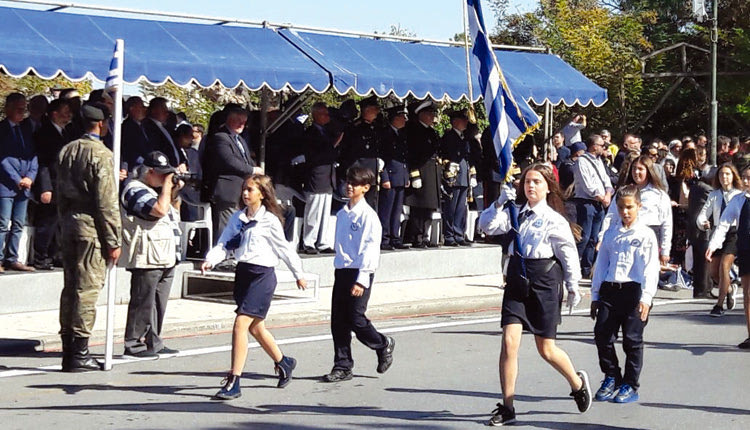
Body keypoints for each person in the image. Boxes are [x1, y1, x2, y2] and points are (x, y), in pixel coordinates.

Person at [478, 163, 591, 426]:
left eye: (536, 182)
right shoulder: (515, 212)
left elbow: (567, 254)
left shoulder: (554, 219)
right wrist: (497, 203)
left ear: (547, 186)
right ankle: (507, 406)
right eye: (527, 181)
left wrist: (574, 286)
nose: (530, 186)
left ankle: (576, 382)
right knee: (509, 342)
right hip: (518, 277)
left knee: (546, 349)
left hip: (544, 279)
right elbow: (487, 226)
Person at [202, 174, 307, 399]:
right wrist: (211, 259)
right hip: (244, 274)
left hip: (262, 276)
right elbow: (224, 243)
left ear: (262, 194)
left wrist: (299, 274)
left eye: (251, 190)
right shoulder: (238, 218)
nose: (246, 193)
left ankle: (234, 380)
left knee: (241, 324)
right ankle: (284, 362)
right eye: (244, 189)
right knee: (256, 327)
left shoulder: (269, 220)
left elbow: (285, 249)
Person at [57, 103, 122, 372]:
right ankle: (79, 351)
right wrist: (113, 239)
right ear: (101, 124)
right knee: (87, 289)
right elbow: (106, 202)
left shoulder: (67, 150)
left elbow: (60, 192)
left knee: (70, 287)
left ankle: (68, 346)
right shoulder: (101, 154)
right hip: (91, 227)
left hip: (69, 222)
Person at [322, 166, 395, 383]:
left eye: (355, 184)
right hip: (342, 270)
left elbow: (371, 249)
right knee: (338, 321)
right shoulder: (343, 213)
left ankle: (383, 344)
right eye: (348, 182)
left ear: (366, 188)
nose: (349, 186)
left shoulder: (368, 216)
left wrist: (362, 279)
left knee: (356, 318)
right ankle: (342, 365)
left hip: (360, 270)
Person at [590, 185, 659, 404]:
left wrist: (646, 297)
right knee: (602, 335)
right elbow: (601, 265)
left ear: (638, 206)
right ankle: (612, 375)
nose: (625, 212)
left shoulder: (646, 234)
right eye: (621, 207)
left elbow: (650, 268)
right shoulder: (611, 232)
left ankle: (630, 383)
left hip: (634, 291)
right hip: (611, 290)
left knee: (632, 341)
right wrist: (595, 295)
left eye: (629, 207)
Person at [120, 151, 184, 358]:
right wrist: (166, 188)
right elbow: (158, 210)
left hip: (165, 254)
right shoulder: (134, 189)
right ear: (149, 172)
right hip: (147, 256)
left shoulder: (153, 190)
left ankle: (153, 341)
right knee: (142, 301)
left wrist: (173, 191)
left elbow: (173, 210)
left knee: (158, 303)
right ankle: (133, 344)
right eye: (162, 174)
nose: (165, 178)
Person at [202, 106, 262, 241]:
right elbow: (229, 161)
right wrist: (252, 170)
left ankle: (233, 255)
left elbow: (247, 159)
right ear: (229, 119)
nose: (242, 124)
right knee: (226, 227)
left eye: (244, 121)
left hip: (241, 190)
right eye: (238, 120)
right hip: (227, 190)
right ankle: (223, 258)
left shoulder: (239, 139)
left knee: (237, 225)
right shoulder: (221, 137)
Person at [600, 155, 672, 266]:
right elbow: (611, 216)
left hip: (650, 238)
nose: (636, 172)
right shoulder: (623, 192)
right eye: (634, 168)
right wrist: (602, 238)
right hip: (625, 237)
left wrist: (665, 251)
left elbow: (666, 224)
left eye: (640, 169)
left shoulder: (659, 195)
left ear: (648, 171)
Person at [706, 166, 750, 349]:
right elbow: (724, 223)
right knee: (748, 293)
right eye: (745, 177)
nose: (747, 181)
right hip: (746, 248)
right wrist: (713, 245)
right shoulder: (738, 200)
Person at [31, 98, 72, 270]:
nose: (68, 115)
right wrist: (45, 187)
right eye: (65, 111)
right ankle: (41, 257)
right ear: (54, 114)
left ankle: (55, 255)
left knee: (59, 223)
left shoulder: (65, 133)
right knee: (46, 223)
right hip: (51, 184)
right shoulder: (45, 133)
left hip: (63, 185)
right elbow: (43, 163)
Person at [698, 163, 743, 314]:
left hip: (734, 233)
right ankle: (730, 288)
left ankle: (719, 305)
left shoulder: (739, 195)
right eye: (722, 174)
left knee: (725, 266)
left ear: (733, 176)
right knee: (713, 272)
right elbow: (703, 213)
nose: (724, 177)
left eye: (728, 174)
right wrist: (703, 222)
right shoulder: (714, 195)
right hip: (718, 231)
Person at [0, 92, 38, 272]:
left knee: (18, 223)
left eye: (24, 109)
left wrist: (30, 176)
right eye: (18, 109)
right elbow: (3, 158)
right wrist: (17, 179)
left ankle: (12, 258)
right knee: (2, 223)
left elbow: (33, 155)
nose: (22, 113)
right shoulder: (2, 129)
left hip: (24, 186)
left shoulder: (26, 129)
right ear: (8, 108)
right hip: (6, 185)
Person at [300, 102, 341, 254]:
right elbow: (314, 155)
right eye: (324, 114)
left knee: (324, 210)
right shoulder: (310, 133)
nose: (327, 117)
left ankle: (322, 241)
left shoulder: (326, 132)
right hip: (316, 176)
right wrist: (332, 147)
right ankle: (309, 241)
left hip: (328, 176)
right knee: (314, 210)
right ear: (316, 115)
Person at [573, 134, 614, 278]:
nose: (604, 148)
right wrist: (602, 197)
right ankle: (573, 266)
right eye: (602, 145)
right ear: (594, 146)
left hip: (599, 204)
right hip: (586, 202)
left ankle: (587, 268)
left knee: (594, 238)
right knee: (584, 236)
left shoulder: (599, 162)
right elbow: (587, 186)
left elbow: (606, 180)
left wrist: (608, 194)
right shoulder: (582, 162)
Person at [404, 100, 442, 248]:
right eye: (429, 114)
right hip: (421, 172)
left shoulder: (431, 132)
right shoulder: (413, 131)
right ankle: (417, 236)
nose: (432, 117)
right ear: (421, 114)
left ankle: (425, 235)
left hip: (432, 173)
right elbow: (412, 154)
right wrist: (414, 174)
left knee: (429, 207)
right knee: (418, 207)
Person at [439, 108, 477, 247]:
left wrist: (472, 174)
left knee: (461, 208)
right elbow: (444, 155)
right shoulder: (448, 137)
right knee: (451, 207)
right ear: (455, 122)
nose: (466, 122)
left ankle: (459, 233)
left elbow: (468, 157)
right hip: (453, 177)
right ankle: (449, 235)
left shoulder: (464, 137)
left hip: (464, 177)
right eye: (463, 120)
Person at [339, 96, 382, 208]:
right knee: (357, 207)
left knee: (371, 207)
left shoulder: (375, 127)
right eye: (375, 108)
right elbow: (349, 152)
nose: (377, 111)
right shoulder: (355, 128)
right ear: (367, 110)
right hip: (359, 176)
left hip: (371, 176)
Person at [377, 104, 409, 250]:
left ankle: (395, 237)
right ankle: (385, 238)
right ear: (395, 118)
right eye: (402, 117)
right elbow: (382, 157)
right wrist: (384, 178)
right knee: (386, 210)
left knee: (397, 210)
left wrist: (406, 175)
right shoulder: (385, 134)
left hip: (400, 176)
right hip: (390, 176)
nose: (404, 120)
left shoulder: (402, 134)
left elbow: (404, 157)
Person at [143, 97, 186, 170]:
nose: (167, 113)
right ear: (154, 110)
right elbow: (157, 148)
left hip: (176, 168)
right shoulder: (148, 127)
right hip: (162, 169)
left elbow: (174, 146)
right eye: (163, 109)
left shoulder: (166, 128)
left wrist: (182, 162)